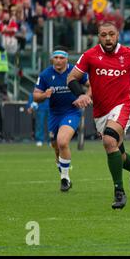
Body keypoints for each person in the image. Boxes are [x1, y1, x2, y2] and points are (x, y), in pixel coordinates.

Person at [67, 22, 130, 210]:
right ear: (98, 36)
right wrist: (81, 94)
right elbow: (71, 78)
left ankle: (119, 192)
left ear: (118, 35)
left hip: (123, 105)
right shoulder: (90, 55)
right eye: (103, 35)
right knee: (118, 152)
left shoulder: (129, 54)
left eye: (111, 34)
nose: (108, 38)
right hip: (100, 111)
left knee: (109, 141)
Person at [33, 47, 90, 192]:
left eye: (61, 57)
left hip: (71, 111)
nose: (58, 60)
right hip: (54, 114)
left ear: (67, 59)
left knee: (63, 141)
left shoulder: (75, 72)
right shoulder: (45, 74)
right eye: (56, 57)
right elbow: (35, 96)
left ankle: (64, 179)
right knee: (56, 146)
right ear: (52, 59)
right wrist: (44, 95)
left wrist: (86, 96)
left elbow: (92, 84)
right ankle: (65, 173)